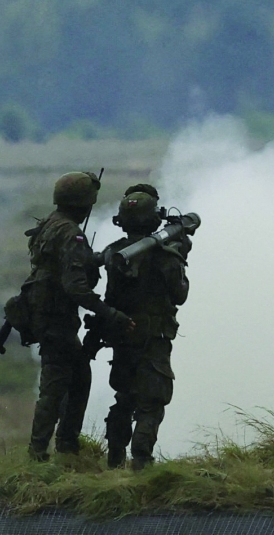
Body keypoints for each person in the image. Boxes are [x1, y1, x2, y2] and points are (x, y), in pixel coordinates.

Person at [24, 172, 133, 461]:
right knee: (55, 384)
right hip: (57, 319)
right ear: (83, 203)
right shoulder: (71, 233)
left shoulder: (49, 224)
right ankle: (40, 453)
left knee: (77, 377)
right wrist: (110, 314)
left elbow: (59, 266)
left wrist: (94, 259)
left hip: (46, 316)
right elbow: (76, 288)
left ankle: (67, 448)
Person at [102, 184, 191, 471]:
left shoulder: (114, 253)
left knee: (123, 398)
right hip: (154, 337)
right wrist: (181, 255)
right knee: (152, 402)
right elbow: (180, 295)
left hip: (122, 335)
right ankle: (142, 462)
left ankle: (114, 460)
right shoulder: (165, 256)